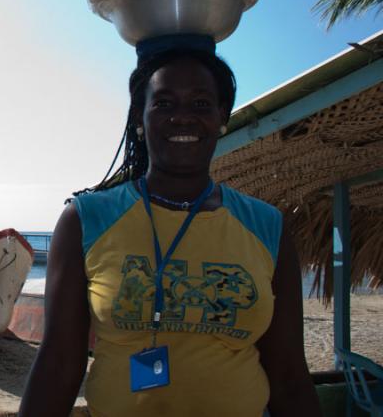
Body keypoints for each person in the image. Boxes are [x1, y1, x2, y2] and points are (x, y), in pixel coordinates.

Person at [19, 37, 321, 417]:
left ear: (222, 117)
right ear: (140, 118)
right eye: (163, 103)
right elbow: (59, 362)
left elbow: (289, 374)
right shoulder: (86, 219)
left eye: (200, 103)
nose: (183, 116)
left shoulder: (267, 226)